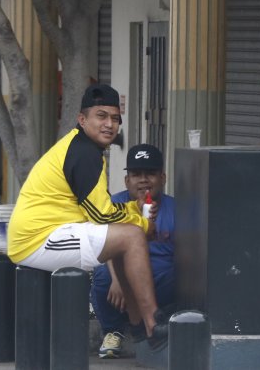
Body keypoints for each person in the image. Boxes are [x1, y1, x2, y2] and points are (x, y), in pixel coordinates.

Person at [6, 84, 168, 350]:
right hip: (38, 240)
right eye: (101, 116)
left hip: (51, 231)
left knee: (124, 239)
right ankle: (153, 326)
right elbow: (101, 215)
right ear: (82, 120)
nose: (109, 125)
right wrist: (141, 221)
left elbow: (98, 210)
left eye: (115, 119)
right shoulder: (84, 153)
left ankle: (139, 324)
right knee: (132, 235)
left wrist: (132, 212)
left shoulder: (81, 146)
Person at [91, 144, 175, 359]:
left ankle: (161, 326)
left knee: (177, 274)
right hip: (120, 272)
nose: (143, 180)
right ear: (127, 180)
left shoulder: (176, 208)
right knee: (102, 275)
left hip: (159, 277)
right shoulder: (114, 204)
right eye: (136, 174)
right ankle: (113, 331)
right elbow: (103, 243)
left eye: (151, 174)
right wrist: (119, 280)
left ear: (163, 178)